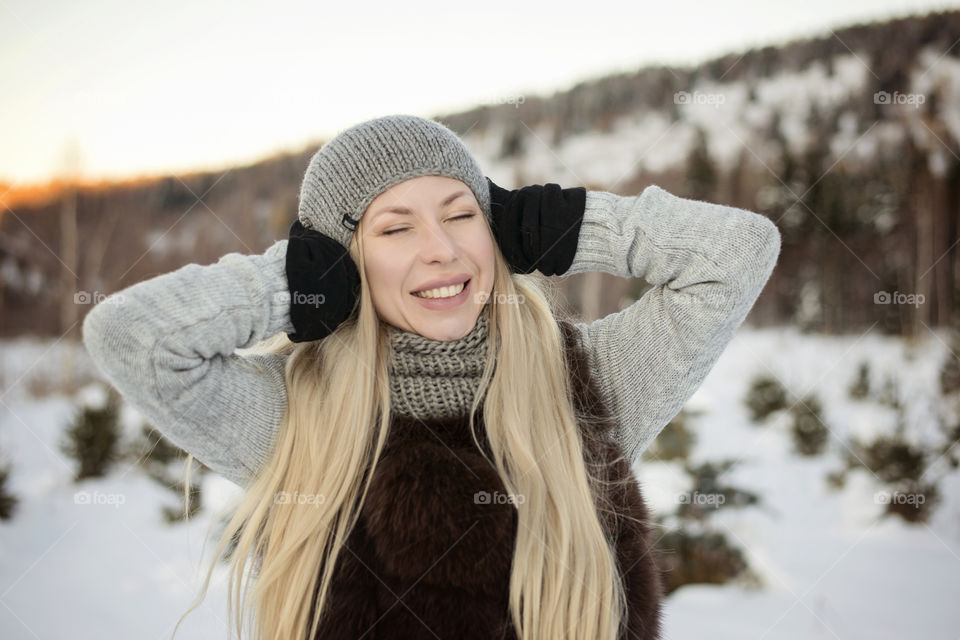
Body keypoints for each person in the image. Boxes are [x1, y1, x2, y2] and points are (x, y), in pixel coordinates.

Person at [81, 114, 781, 640]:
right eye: (395, 230)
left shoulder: (593, 382)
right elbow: (132, 340)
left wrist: (576, 225)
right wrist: (290, 281)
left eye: (462, 215)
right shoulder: (297, 417)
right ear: (338, 260)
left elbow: (740, 251)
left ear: (501, 230)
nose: (442, 251)